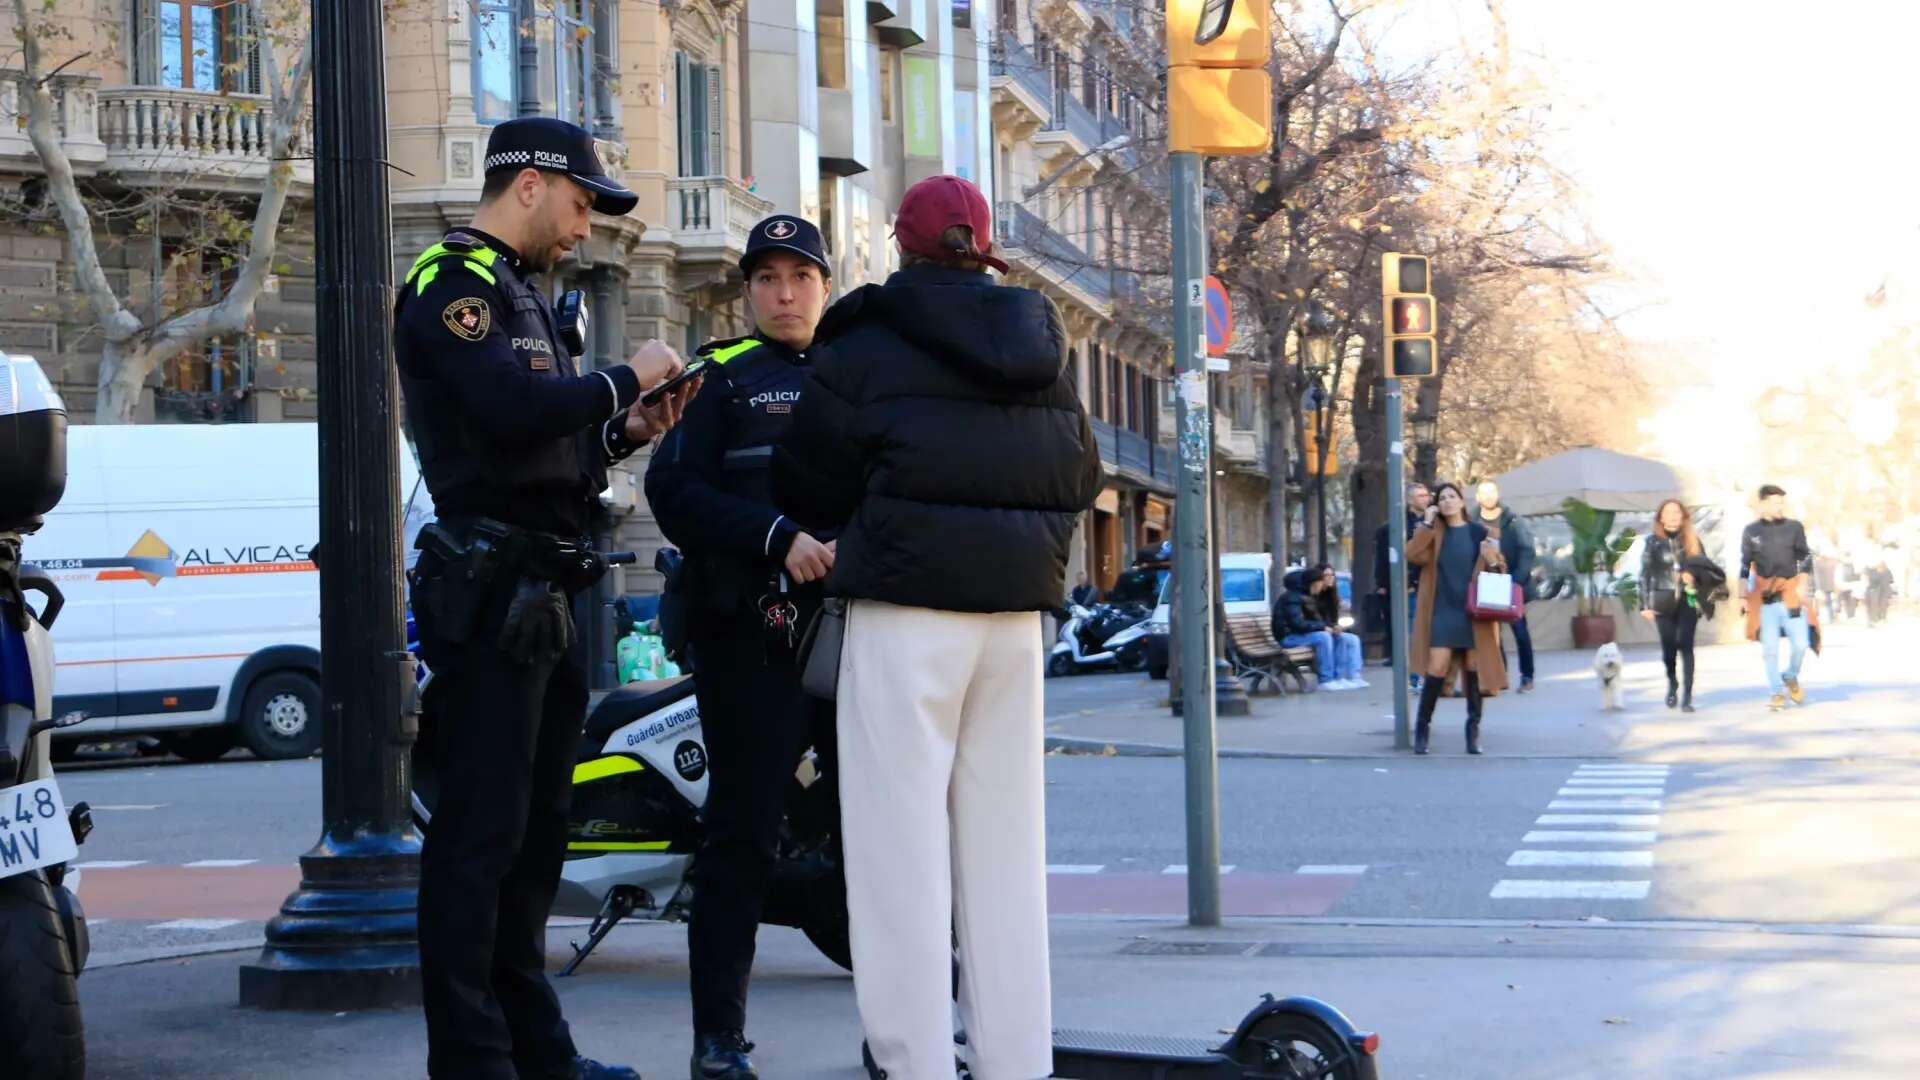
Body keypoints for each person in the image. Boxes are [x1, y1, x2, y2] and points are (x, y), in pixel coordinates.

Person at [771, 175, 1101, 1080]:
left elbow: (805, 482)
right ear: (982, 247)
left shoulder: (865, 342)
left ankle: (914, 1065)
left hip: (904, 613)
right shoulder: (1040, 344)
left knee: (896, 863)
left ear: (904, 247)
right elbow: (1080, 477)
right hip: (1013, 626)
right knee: (1004, 863)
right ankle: (1016, 1064)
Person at [397, 116, 697, 1080]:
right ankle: (474, 1060)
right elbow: (509, 413)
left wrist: (625, 429)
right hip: (492, 596)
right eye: (579, 204)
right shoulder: (456, 282)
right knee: (479, 838)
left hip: (546, 592)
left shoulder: (522, 290)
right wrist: (623, 376)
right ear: (529, 185)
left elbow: (537, 447)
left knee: (533, 840)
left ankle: (537, 1052)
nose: (583, 229)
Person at [643, 214, 838, 1080]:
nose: (785, 293)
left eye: (800, 276)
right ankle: (717, 1039)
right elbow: (671, 487)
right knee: (742, 833)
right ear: (749, 290)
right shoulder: (719, 376)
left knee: (886, 830)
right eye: (768, 278)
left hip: (856, 633)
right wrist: (773, 536)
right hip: (752, 640)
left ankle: (909, 1028)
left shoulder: (859, 369)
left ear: (825, 285)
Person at [1406, 482, 1509, 755]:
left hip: (1475, 612)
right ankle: (1422, 729)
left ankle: (1473, 732)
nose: (1448, 502)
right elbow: (1412, 555)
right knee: (1436, 668)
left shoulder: (1480, 533)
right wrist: (1426, 524)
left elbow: (1500, 569)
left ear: (1462, 502)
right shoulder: (1433, 533)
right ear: (1436, 505)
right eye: (1442, 498)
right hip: (1442, 610)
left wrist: (1493, 560)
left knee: (1474, 670)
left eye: (1453, 497)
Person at [1739, 483, 1815, 711]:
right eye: (1775, 502)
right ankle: (1776, 693)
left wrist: (1803, 582)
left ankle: (1790, 675)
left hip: (1791, 595)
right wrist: (1742, 595)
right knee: (1770, 649)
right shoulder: (1751, 531)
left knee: (1801, 644)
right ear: (1762, 504)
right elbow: (1744, 564)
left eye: (1782, 501)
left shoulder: (1794, 527)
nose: (1780, 506)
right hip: (1766, 599)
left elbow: (1806, 556)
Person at [1640, 499, 1704, 712]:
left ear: (1683, 516)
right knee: (1669, 648)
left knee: (1685, 644)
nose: (1673, 516)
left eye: (1677, 512)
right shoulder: (1652, 542)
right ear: (1661, 517)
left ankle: (1687, 696)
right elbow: (1645, 574)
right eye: (1668, 512)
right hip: (1662, 599)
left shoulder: (1693, 540)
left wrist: (1693, 576)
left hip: (1689, 599)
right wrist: (1644, 604)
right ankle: (1672, 683)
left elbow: (1708, 570)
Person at [1475, 480, 1536, 693]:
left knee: (1520, 631)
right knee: (1492, 635)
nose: (1489, 496)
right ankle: (1500, 677)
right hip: (1485, 584)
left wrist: (1516, 580)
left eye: (1492, 492)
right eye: (1484, 492)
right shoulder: (1472, 521)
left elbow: (1527, 550)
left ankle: (1527, 677)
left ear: (1498, 494)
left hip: (1512, 583)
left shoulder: (1513, 520)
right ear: (1477, 497)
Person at [1373, 483, 1431, 686]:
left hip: (1433, 584)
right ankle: (1416, 677)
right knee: (1413, 633)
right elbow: (1387, 558)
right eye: (1420, 496)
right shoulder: (1396, 526)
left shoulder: (1434, 521)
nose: (1426, 499)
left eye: (1426, 495)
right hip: (1412, 586)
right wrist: (1386, 583)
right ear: (1409, 500)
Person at [1272, 565, 1358, 691]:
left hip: (1299, 635)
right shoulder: (1293, 598)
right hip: (1288, 637)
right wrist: (1323, 628)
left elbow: (1315, 620)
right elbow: (1297, 623)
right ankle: (1326, 680)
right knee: (1323, 637)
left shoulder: (1306, 596)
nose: (1322, 586)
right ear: (1314, 583)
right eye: (1321, 583)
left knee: (1338, 637)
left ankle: (1339, 678)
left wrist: (1331, 627)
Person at [1309, 563, 1367, 688]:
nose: (1330, 578)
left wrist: (1336, 626)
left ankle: (1354, 676)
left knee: (1353, 639)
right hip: (1318, 631)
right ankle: (1335, 676)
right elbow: (1314, 618)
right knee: (1336, 639)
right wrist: (1328, 627)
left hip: (1328, 629)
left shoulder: (1331, 595)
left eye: (1332, 575)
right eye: (1326, 575)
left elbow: (1332, 618)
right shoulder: (1313, 596)